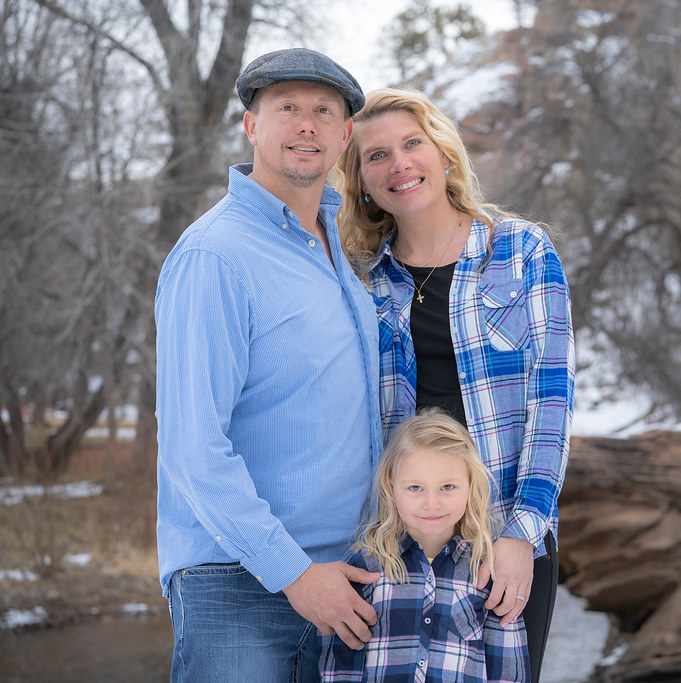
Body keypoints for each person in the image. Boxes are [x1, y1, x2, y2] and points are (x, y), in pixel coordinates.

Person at [155, 48, 383, 682]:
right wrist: (294, 573)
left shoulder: (341, 250)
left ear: (343, 136)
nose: (306, 125)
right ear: (252, 126)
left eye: (323, 112)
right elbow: (192, 446)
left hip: (345, 583)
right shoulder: (216, 254)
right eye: (287, 108)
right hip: (240, 582)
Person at [331, 87, 575, 681]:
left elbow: (552, 403)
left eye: (412, 144)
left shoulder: (519, 252)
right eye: (377, 155)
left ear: (444, 152)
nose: (400, 165)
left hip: (501, 539)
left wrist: (521, 533)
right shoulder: (361, 278)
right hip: (397, 539)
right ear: (361, 180)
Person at [319, 409, 530, 681]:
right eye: (416, 488)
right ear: (391, 486)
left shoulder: (489, 573)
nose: (432, 503)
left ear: (470, 485)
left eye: (447, 487)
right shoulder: (366, 567)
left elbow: (508, 668)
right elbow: (340, 663)